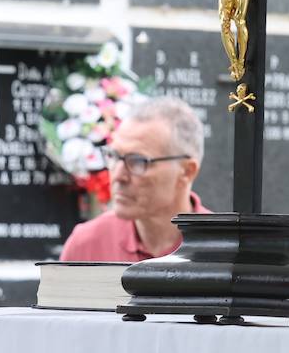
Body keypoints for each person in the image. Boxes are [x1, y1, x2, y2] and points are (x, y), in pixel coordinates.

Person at [60, 97, 210, 262]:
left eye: (138, 161)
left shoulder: (224, 250)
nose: (118, 176)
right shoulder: (86, 245)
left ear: (186, 171)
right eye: (114, 156)